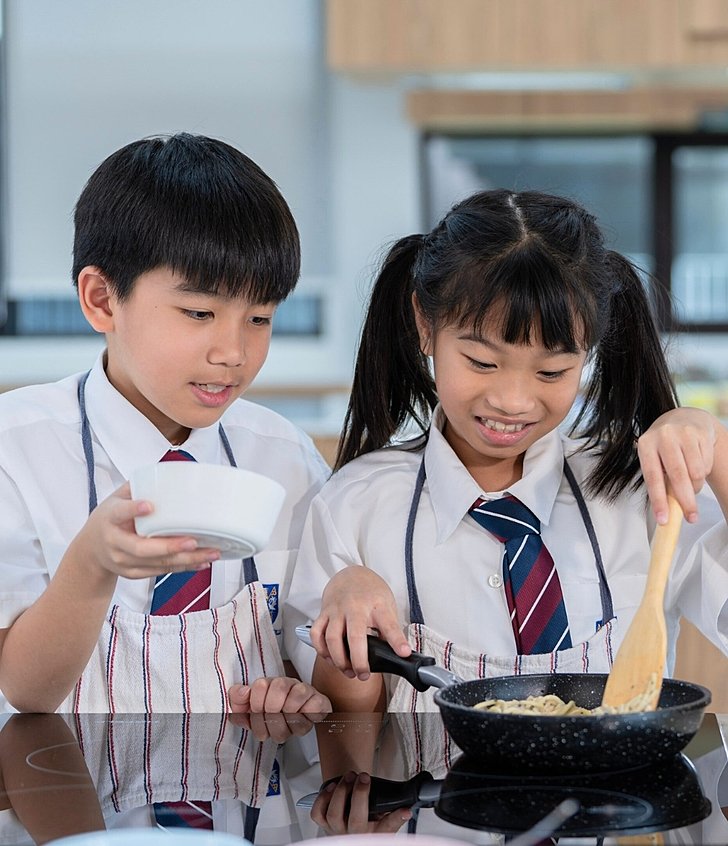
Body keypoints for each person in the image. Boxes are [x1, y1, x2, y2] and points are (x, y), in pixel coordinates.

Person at [284, 188, 728, 712]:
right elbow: (333, 732)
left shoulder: (640, 494)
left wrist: (717, 445)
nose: (512, 401)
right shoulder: (353, 507)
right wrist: (346, 608)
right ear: (426, 326)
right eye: (482, 362)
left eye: (551, 372)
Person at [0, 132, 332, 715]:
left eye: (260, 317)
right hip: (67, 795)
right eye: (199, 313)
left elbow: (310, 652)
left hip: (240, 790)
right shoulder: (16, 449)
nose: (233, 351)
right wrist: (92, 563)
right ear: (102, 299)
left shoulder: (286, 458)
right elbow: (23, 691)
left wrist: (294, 688)